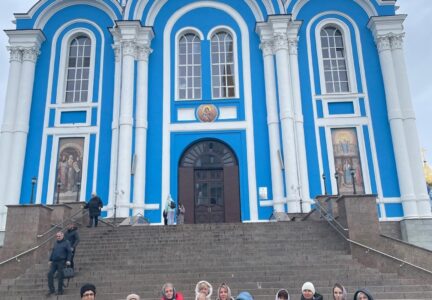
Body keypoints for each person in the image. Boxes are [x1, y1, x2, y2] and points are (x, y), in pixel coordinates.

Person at [47, 231, 71, 296]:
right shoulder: (55, 243)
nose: (58, 237)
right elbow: (53, 252)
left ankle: (60, 290)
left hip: (62, 261)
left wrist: (68, 260)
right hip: (54, 262)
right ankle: (52, 290)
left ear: (62, 236)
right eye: (57, 236)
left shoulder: (66, 242)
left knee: (60, 276)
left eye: (59, 236)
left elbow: (69, 252)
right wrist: (50, 260)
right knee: (49, 274)